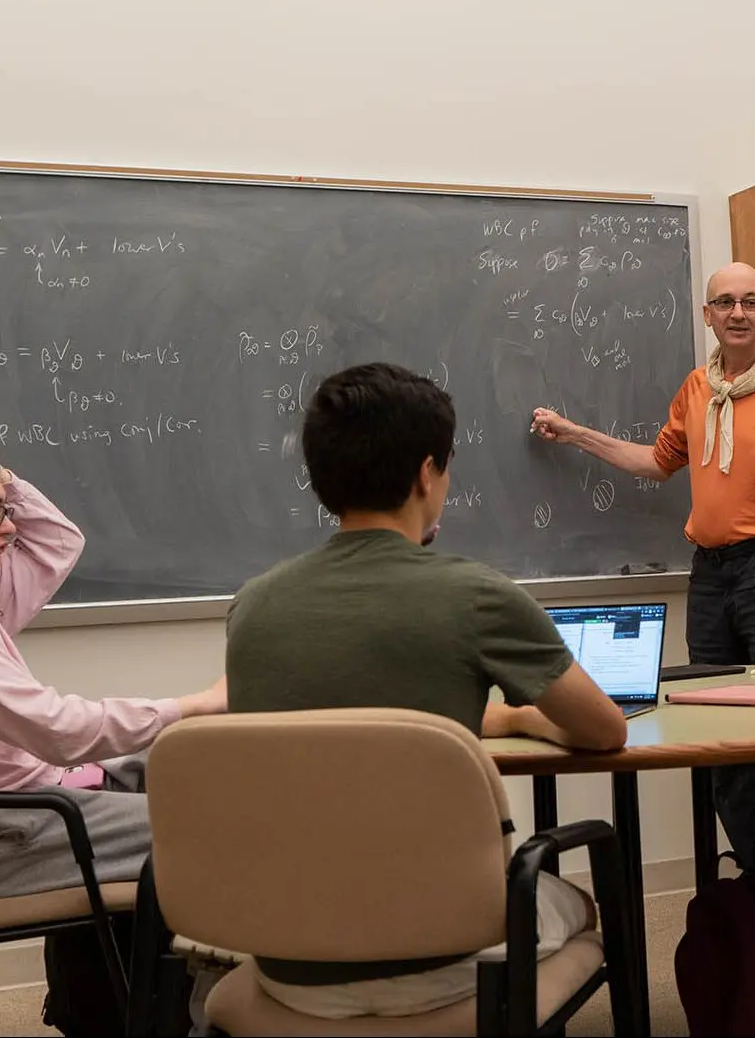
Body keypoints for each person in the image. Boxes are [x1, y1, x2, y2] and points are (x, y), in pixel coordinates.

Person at [225, 362, 627, 1020]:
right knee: (576, 901)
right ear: (424, 474)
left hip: (289, 959)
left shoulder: (253, 606)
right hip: (446, 956)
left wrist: (495, 719)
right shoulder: (476, 595)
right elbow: (603, 729)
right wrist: (535, 718)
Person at [530, 260, 755, 924]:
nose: (736, 312)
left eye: (749, 302)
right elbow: (655, 460)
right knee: (716, 729)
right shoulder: (698, 389)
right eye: (723, 302)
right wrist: (576, 432)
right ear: (706, 315)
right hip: (711, 572)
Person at [0, 422, 226, 910]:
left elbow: (57, 543)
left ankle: (98, 988)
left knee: (199, 765)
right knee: (215, 833)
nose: (10, 525)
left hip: (31, 803)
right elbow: (58, 733)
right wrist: (199, 703)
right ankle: (167, 987)